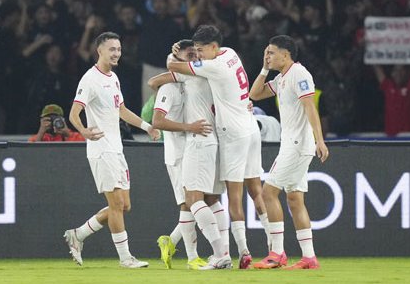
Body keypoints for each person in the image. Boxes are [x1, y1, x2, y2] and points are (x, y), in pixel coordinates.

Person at [167, 24, 269, 269]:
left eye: (201, 50)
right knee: (256, 190)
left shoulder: (214, 66)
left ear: (214, 47)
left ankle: (239, 252)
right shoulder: (230, 54)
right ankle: (276, 249)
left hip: (232, 134)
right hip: (250, 127)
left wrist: (175, 55)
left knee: (232, 198)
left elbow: (173, 67)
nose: (199, 54)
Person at [62, 32, 159, 269]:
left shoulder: (113, 78)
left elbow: (122, 110)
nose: (116, 53)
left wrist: (147, 127)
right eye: (111, 49)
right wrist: (84, 131)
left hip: (116, 149)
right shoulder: (89, 79)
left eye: (118, 49)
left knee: (124, 206)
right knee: (116, 205)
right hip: (101, 149)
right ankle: (126, 258)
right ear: (100, 51)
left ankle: (78, 234)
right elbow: (74, 113)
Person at [249, 35, 330, 270]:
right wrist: (264, 69)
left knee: (268, 193)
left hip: (296, 144)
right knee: (294, 199)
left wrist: (320, 140)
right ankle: (309, 257)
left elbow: (310, 108)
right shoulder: (281, 78)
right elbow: (255, 94)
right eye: (266, 53)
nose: (268, 56)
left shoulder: (299, 74)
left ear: (286, 55)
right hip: (292, 143)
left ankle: (277, 253)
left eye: (271, 53)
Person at [149, 43, 231, 271]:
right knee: (191, 202)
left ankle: (215, 252)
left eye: (197, 54)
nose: (195, 58)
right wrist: (188, 127)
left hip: (198, 146)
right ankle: (193, 255)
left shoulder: (196, 78)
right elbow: (156, 114)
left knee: (203, 200)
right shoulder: (170, 87)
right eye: (190, 55)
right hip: (179, 153)